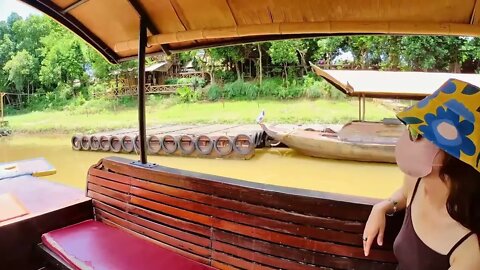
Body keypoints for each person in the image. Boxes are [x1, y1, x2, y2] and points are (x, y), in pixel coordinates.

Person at [363, 78, 480, 269]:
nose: (413, 139)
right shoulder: (416, 181)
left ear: (455, 157)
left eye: (424, 134)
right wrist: (384, 206)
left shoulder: (468, 246)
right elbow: (403, 193)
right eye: (414, 130)